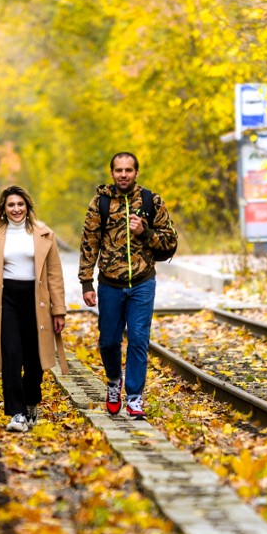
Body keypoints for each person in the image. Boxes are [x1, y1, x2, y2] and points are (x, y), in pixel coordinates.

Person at [78, 152, 178, 419]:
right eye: (119, 170)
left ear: (136, 173)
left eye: (129, 170)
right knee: (109, 341)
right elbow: (89, 243)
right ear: (112, 173)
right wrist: (86, 281)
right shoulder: (99, 203)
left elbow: (170, 242)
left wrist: (144, 232)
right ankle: (114, 381)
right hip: (110, 284)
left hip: (143, 282)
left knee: (137, 339)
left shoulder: (151, 201)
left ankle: (134, 396)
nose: (123, 174)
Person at [0, 186, 67, 433]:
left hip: (36, 301)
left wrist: (58, 309)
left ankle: (30, 401)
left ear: (27, 206)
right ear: (4, 210)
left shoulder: (44, 234)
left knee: (35, 360)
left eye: (20, 204)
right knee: (12, 356)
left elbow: (55, 274)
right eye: (11, 205)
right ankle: (16, 413)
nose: (16, 209)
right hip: (6, 302)